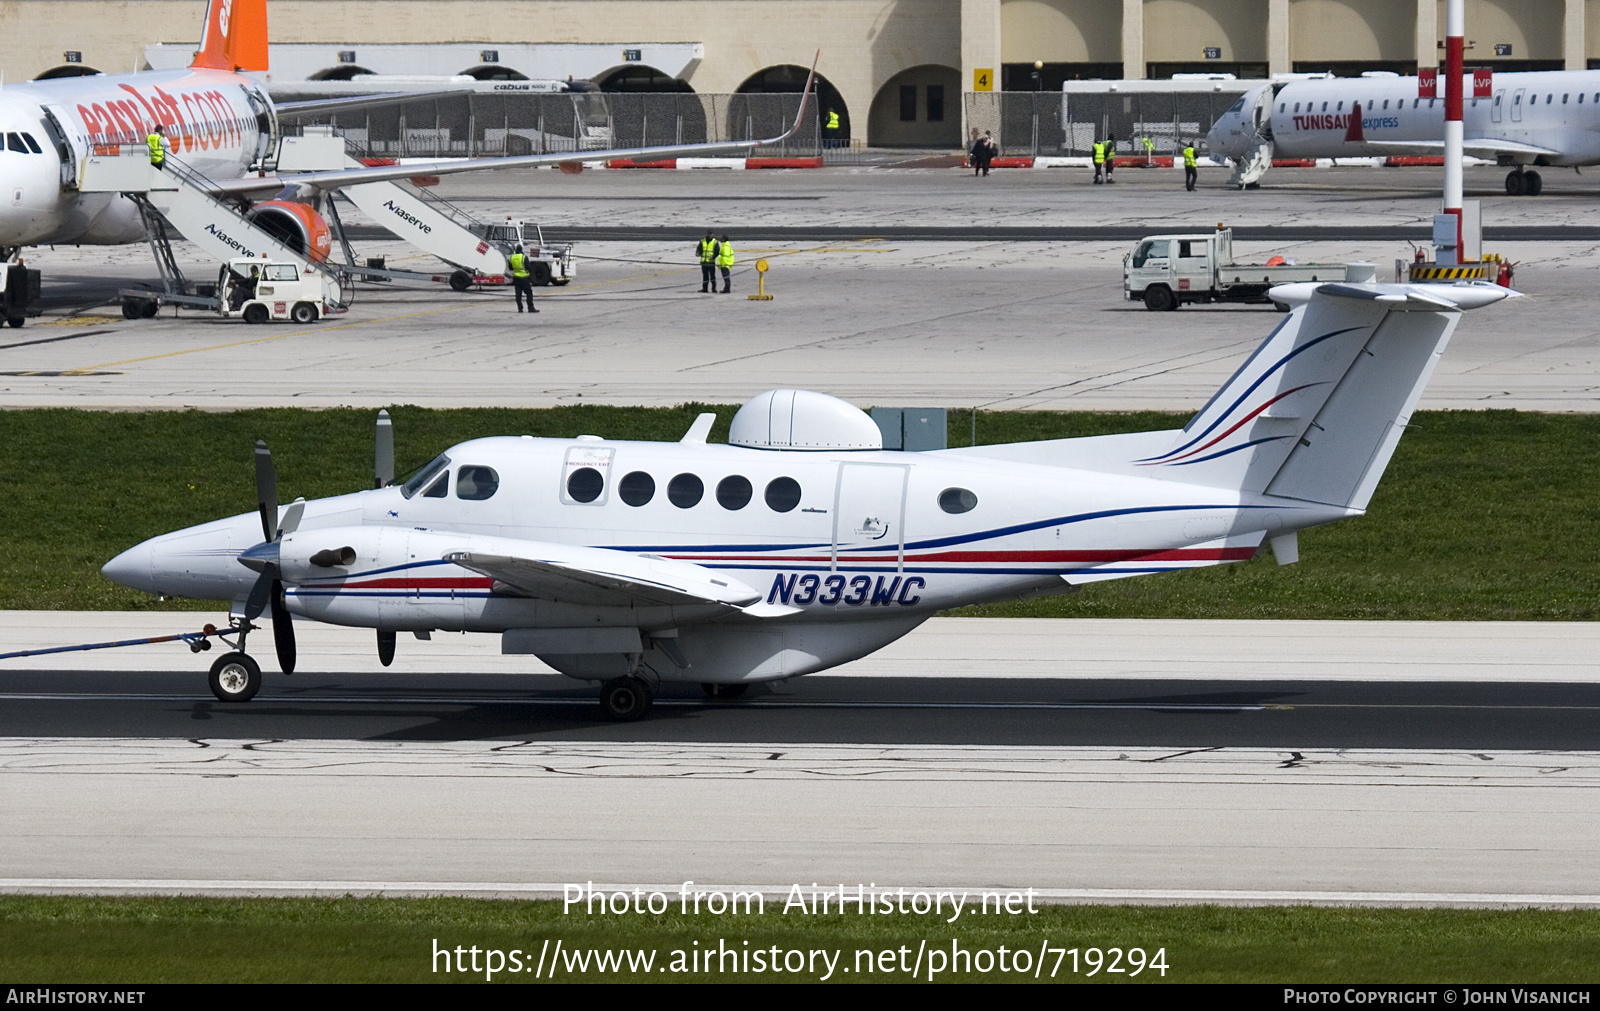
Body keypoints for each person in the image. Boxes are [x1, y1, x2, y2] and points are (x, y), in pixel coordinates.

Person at [509, 245, 538, 313]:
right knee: (529, 293)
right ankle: (530, 308)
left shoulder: (512, 257)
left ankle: (520, 308)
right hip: (524, 277)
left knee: (518, 293)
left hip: (516, 278)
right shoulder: (523, 257)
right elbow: (528, 267)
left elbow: (510, 267)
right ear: (521, 250)